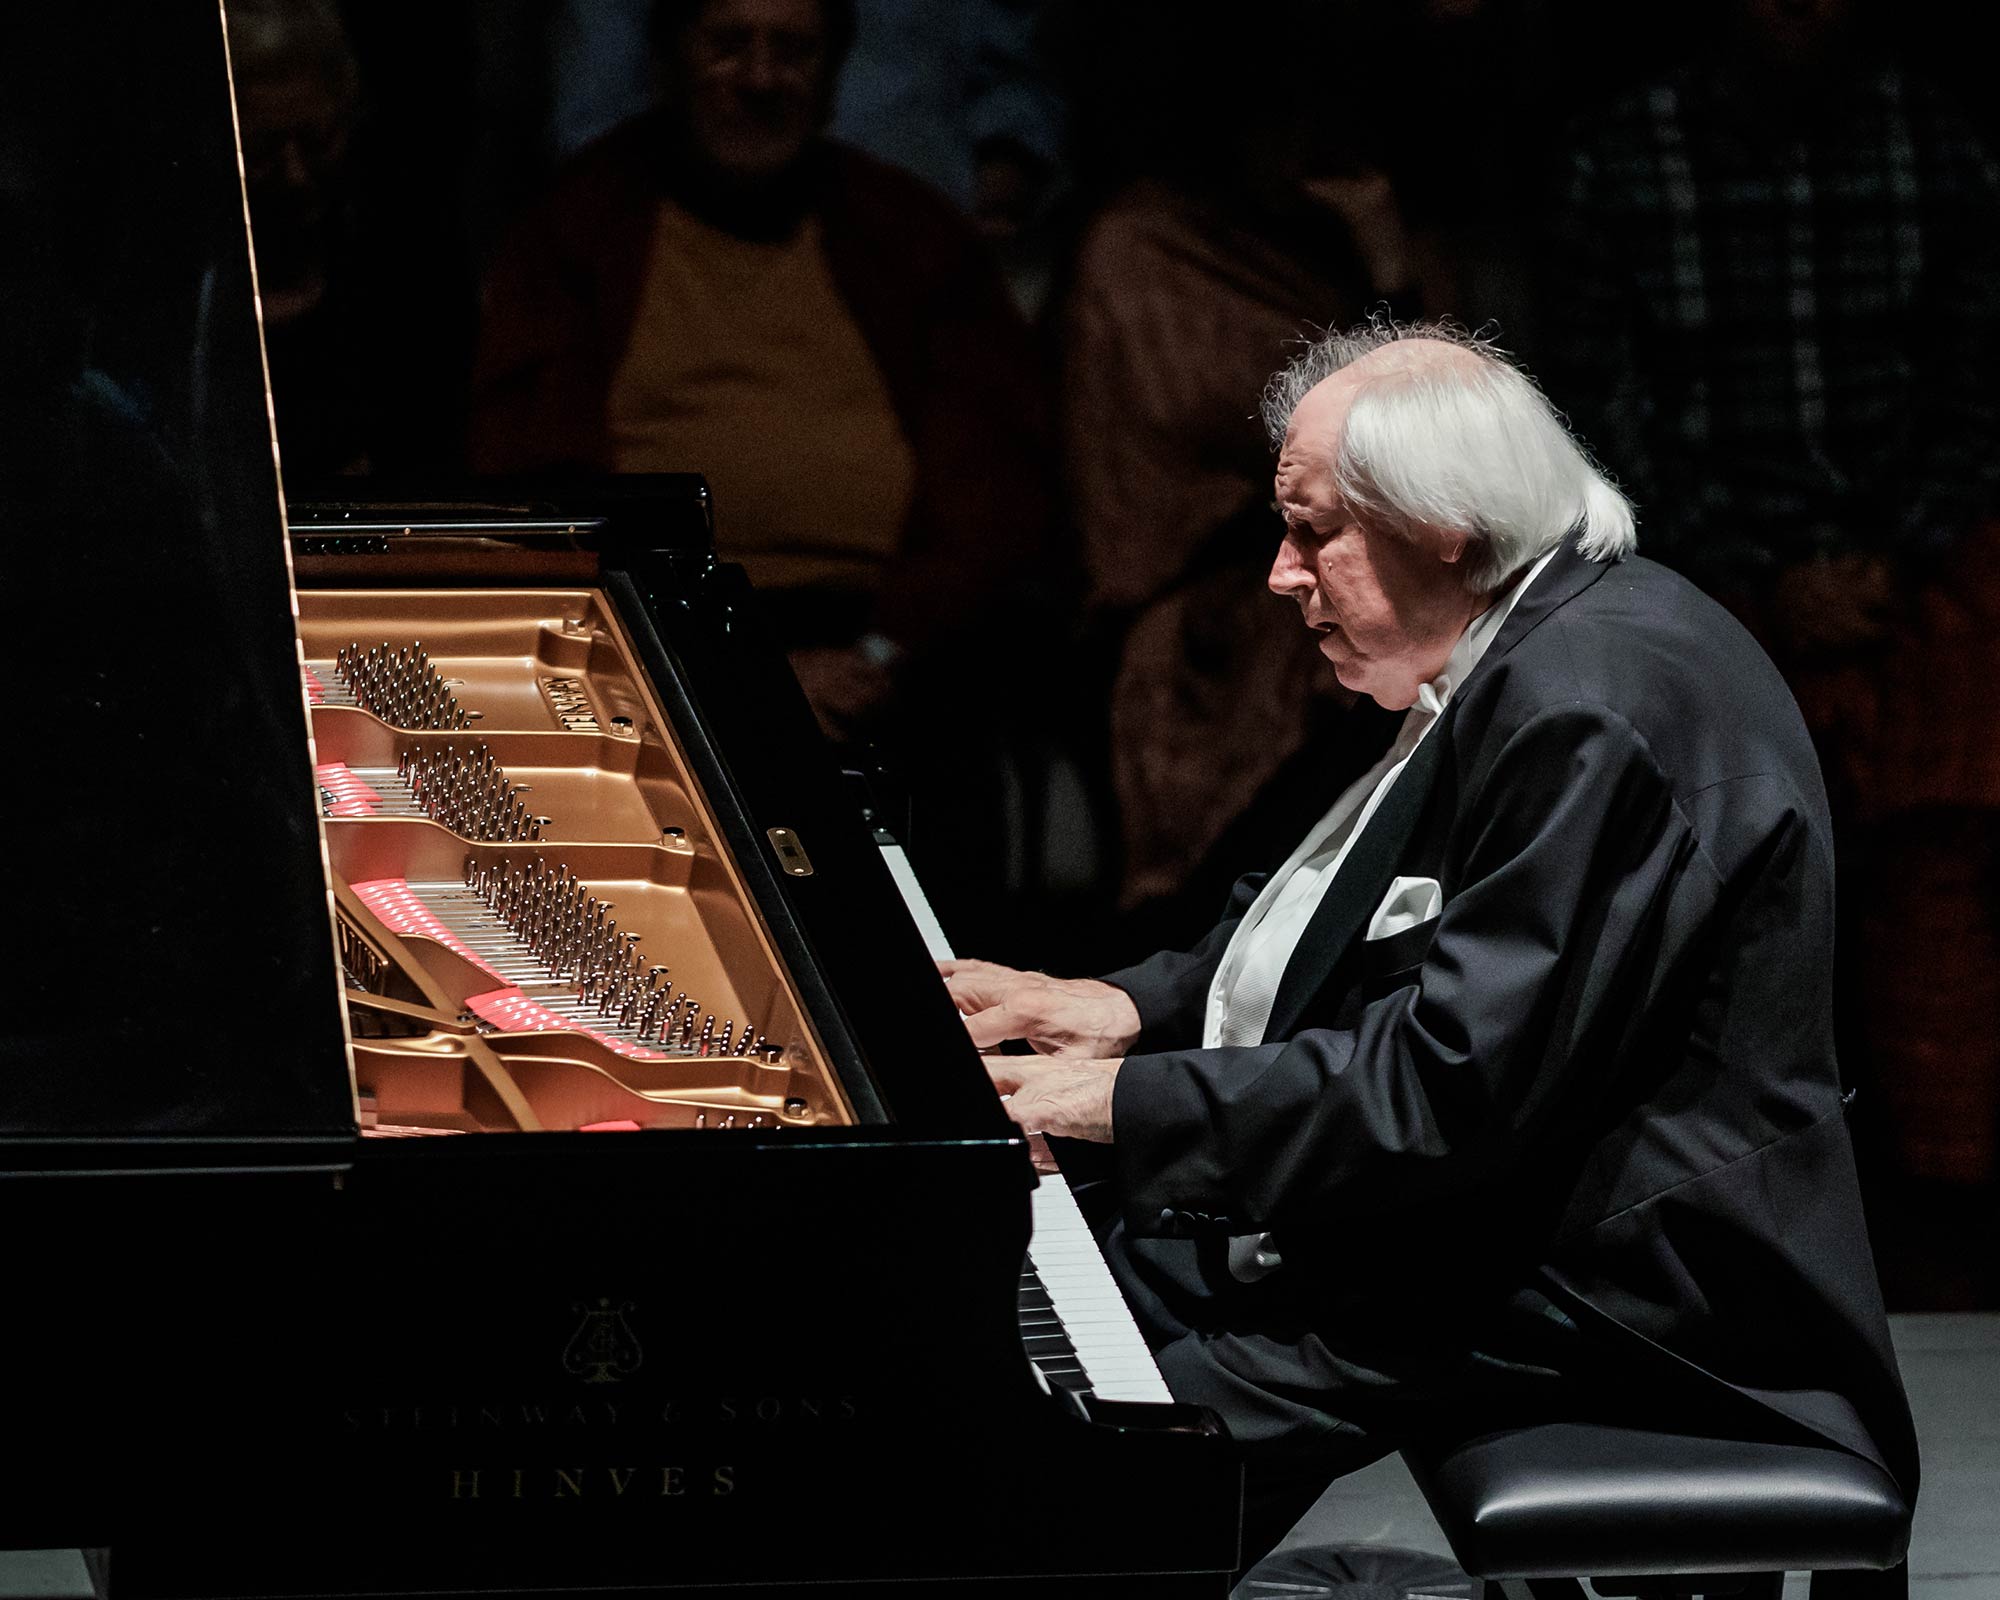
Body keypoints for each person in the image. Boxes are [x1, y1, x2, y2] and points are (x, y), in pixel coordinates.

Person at [944, 321, 1918, 1575]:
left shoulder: (1583, 702)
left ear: (1445, 524)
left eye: (1313, 532)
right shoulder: (1532, 636)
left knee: (1109, 1435)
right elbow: (1342, 915)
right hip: (1522, 1205)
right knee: (1102, 1280)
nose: (1278, 575)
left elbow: (1448, 1086)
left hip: (1628, 1276)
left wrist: (1122, 1104)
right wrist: (1127, 1011)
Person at [1546, 0, 2000, 1298]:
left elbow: (1975, 387)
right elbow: (1603, 409)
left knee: (1941, 837)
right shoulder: (1621, 157)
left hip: (1915, 563)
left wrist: (1891, 558)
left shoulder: (1941, 146)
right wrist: (1761, 576)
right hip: (1701, 565)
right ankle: (1710, 1204)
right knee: (1692, 827)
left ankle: (1945, 1217)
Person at [470, 0, 1053, 742]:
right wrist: (720, 659)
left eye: (794, 51)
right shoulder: (581, 228)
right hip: (651, 635)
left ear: (833, 76)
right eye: (729, 46)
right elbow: (536, 480)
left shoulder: (908, 233)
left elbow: (994, 479)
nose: (761, 78)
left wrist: (879, 650)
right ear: (670, 61)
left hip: (883, 648)